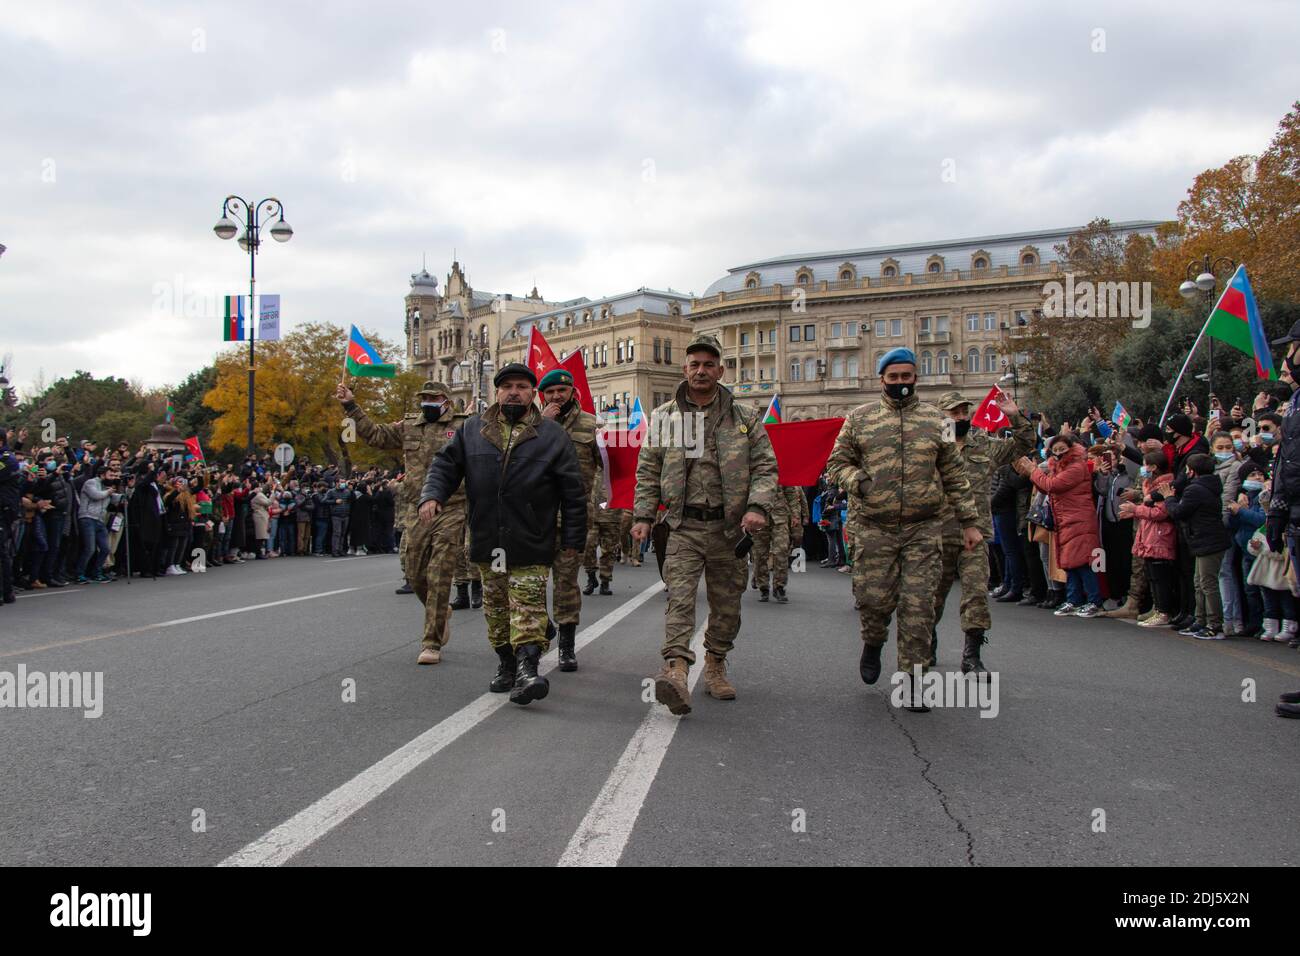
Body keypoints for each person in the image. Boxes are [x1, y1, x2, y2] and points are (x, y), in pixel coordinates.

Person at [419, 363, 586, 704]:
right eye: (507, 385)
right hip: (487, 539)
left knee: (526, 605)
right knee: (496, 610)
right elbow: (445, 465)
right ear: (496, 391)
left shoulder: (552, 436)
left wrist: (572, 540)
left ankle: (527, 671)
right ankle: (506, 664)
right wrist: (433, 495)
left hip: (532, 538)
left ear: (531, 393)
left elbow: (573, 493)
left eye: (522, 386)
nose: (514, 391)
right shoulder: (472, 431)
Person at [826, 348, 980, 712]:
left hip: (923, 528)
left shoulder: (935, 420)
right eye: (893, 378)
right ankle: (873, 641)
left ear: (916, 378)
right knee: (875, 602)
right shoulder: (860, 419)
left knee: (919, 606)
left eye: (906, 377)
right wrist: (856, 479)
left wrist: (970, 522)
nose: (900, 384)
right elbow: (836, 463)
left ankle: (913, 681)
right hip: (873, 527)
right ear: (882, 379)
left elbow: (955, 475)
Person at [631, 334, 779, 715]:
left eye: (708, 364)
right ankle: (676, 669)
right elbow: (648, 469)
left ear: (720, 370)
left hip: (729, 531)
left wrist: (758, 506)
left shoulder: (743, 418)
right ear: (685, 369)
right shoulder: (665, 417)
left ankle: (715, 663)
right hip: (683, 526)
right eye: (694, 364)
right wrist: (644, 516)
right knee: (679, 600)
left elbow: (765, 466)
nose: (701, 370)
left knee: (727, 606)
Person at [338, 380, 466, 661]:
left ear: (445, 400)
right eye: (424, 398)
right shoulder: (410, 425)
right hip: (416, 507)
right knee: (414, 571)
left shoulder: (462, 426)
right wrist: (350, 405)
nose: (427, 403)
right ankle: (440, 611)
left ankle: (431, 642)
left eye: (433, 398)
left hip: (452, 506)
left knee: (440, 571)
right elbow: (375, 436)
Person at [932, 389, 1032, 674]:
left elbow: (1023, 444)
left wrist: (1014, 416)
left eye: (964, 411)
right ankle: (927, 641)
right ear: (942, 416)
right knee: (932, 596)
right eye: (954, 412)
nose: (961, 416)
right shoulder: (933, 447)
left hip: (974, 534)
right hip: (938, 533)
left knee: (976, 594)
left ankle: (972, 656)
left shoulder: (983, 445)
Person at [537, 367, 602, 671]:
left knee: (565, 582)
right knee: (531, 583)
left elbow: (611, 467)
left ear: (572, 392)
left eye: (561, 391)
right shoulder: (531, 423)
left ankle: (566, 645)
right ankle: (540, 631)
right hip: (535, 516)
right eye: (549, 392)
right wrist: (543, 424)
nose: (555, 396)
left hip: (574, 514)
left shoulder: (592, 425)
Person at [1014, 434, 1103, 618]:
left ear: (1070, 449)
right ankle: (1073, 599)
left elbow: (1052, 486)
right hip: (1064, 519)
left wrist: (1033, 470)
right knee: (1069, 562)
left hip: (1079, 518)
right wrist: (1034, 476)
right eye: (1055, 450)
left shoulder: (1076, 467)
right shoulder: (1059, 467)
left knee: (1084, 561)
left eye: (1062, 449)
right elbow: (1046, 486)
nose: (1058, 454)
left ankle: (1094, 601)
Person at [1266, 320, 1300, 716]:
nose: (1285, 358)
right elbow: (1286, 462)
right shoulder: (1295, 402)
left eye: (1290, 349)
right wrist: (1278, 508)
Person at [1160, 453, 1231, 639]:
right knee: (1199, 583)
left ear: (1191, 471)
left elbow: (1179, 512)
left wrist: (1169, 498)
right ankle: (1200, 620)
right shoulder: (1209, 485)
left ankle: (1215, 624)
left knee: (1208, 583)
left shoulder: (1195, 490)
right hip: (1204, 539)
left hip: (1208, 540)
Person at [1119, 451, 1178, 627]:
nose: (1143, 469)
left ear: (1153, 467)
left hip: (1160, 535)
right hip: (1148, 533)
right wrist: (1133, 512)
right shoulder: (1149, 484)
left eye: (1145, 465)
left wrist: (1136, 510)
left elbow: (1161, 512)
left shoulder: (1165, 485)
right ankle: (1156, 608)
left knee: (1160, 577)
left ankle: (1163, 611)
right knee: (1152, 575)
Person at [751, 483, 808, 603]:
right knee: (760, 555)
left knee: (781, 552)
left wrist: (796, 515)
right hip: (759, 517)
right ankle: (763, 587)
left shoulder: (783, 470)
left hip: (780, 518)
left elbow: (791, 495)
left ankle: (779, 587)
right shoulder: (754, 469)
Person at [583, 475, 621, 596]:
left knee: (609, 551)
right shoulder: (593, 465)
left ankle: (605, 582)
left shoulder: (617, 466)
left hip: (612, 515)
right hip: (592, 515)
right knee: (588, 545)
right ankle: (591, 577)